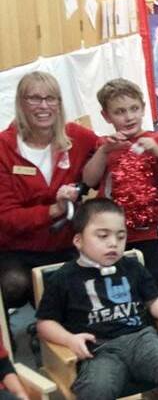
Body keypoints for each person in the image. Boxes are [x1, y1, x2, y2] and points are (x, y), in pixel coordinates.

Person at [35, 198, 158, 400]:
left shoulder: (131, 267)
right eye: (103, 236)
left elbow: (154, 300)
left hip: (140, 340)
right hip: (98, 350)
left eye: (120, 237)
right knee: (95, 389)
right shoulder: (64, 278)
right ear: (78, 240)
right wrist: (69, 339)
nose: (113, 243)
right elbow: (45, 323)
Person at [82, 79, 158, 310]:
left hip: (154, 228)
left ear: (143, 108)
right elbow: (89, 180)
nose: (129, 117)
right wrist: (104, 152)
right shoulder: (104, 144)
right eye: (119, 112)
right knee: (120, 281)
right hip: (114, 230)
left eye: (134, 109)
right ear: (106, 116)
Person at [0, 72, 98, 310]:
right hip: (17, 249)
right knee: (13, 285)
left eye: (50, 98)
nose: (44, 106)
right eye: (34, 98)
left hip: (67, 244)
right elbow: (5, 218)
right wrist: (54, 210)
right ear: (20, 103)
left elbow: (115, 154)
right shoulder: (3, 147)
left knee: (85, 289)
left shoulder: (78, 137)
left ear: (59, 103)